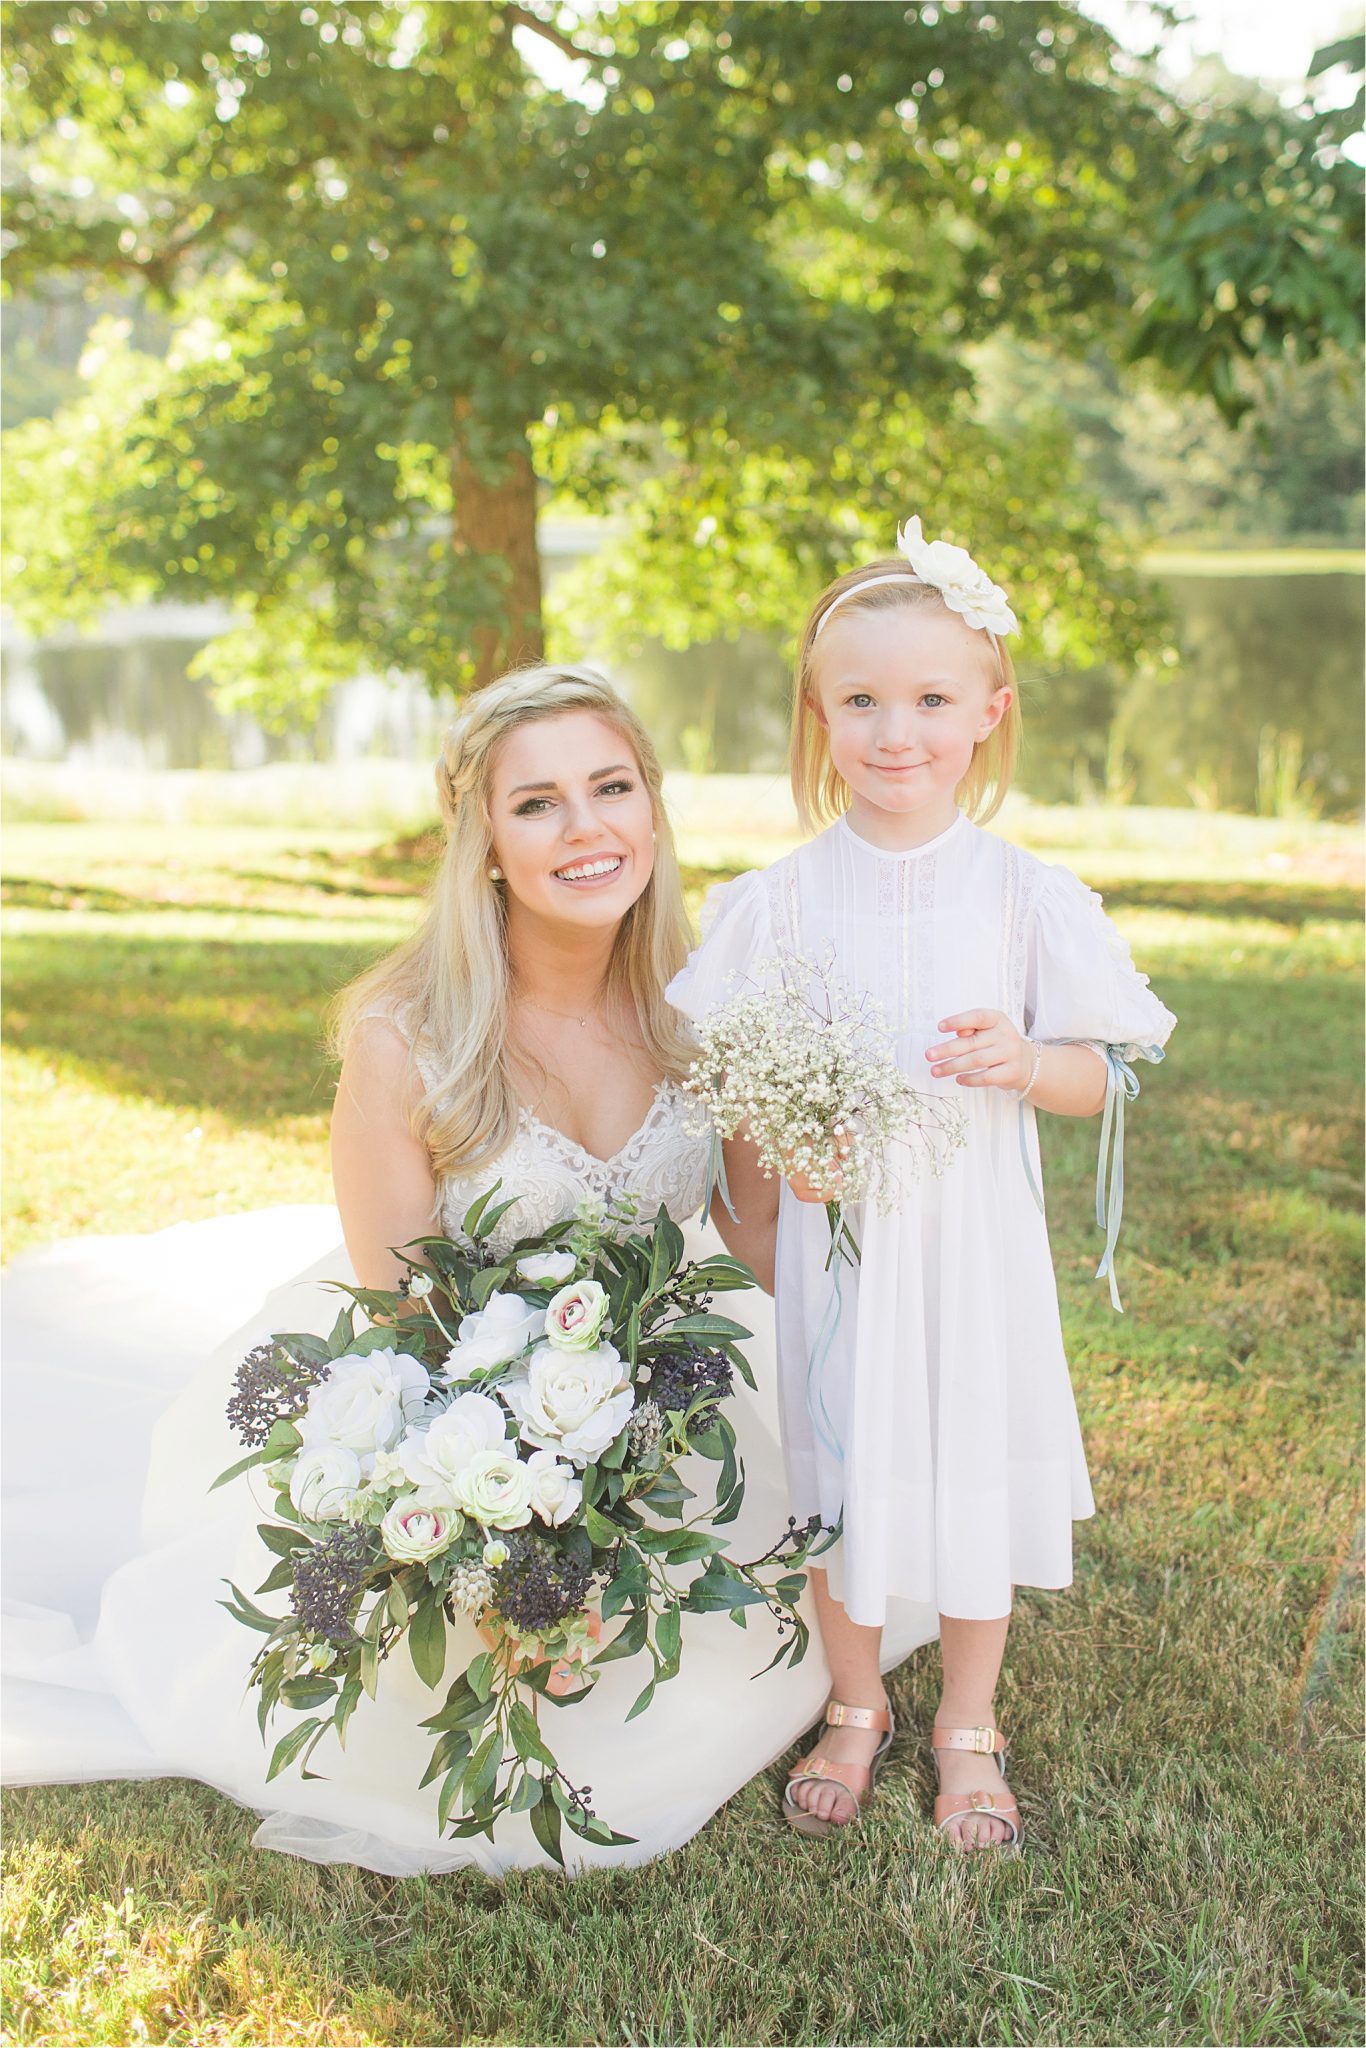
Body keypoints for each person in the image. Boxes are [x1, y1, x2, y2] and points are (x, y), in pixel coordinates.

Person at [2, 663, 938, 1877]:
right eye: (537, 802)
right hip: (454, 1400)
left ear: (652, 807)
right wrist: (518, 1533)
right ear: (485, 840)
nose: (586, 826)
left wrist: (845, 1196)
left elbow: (757, 1238)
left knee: (746, 1642)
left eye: (610, 787)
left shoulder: (708, 1011)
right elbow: (397, 1307)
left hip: (668, 1396)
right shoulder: (409, 1034)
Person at [666, 522, 1176, 1849]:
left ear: (989, 715)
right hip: (836, 1252)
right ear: (818, 714)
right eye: (863, 702)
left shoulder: (1022, 899)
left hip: (971, 1253)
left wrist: (1024, 1059)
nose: (898, 733)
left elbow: (1100, 1080)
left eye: (933, 701)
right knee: (837, 1464)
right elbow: (730, 1090)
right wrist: (788, 1152)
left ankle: (964, 1717)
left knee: (962, 1466)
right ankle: (851, 1703)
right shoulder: (773, 907)